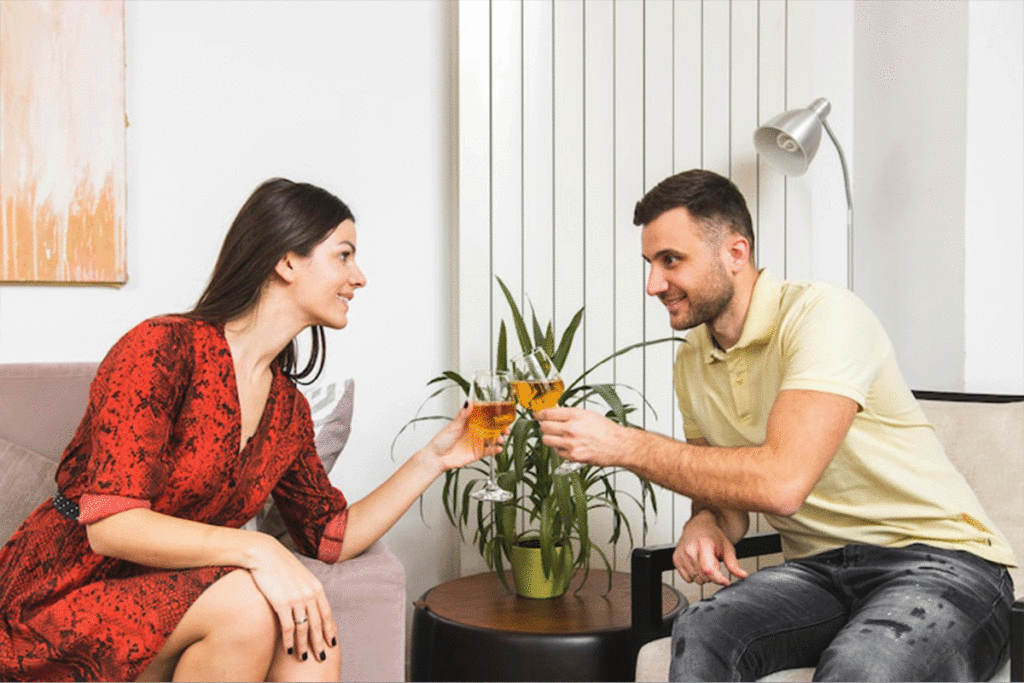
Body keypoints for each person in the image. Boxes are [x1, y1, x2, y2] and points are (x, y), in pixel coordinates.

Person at [0, 178, 492, 682]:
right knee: (250, 604)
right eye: (344, 255)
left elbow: (331, 537)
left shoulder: (287, 408)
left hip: (179, 601)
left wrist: (433, 458)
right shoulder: (162, 348)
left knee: (312, 641)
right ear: (286, 261)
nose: (359, 276)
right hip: (60, 596)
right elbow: (111, 526)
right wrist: (260, 551)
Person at [537, 169, 1016, 681]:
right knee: (701, 629)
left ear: (736, 254)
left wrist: (624, 445)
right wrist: (706, 521)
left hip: (941, 564)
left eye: (671, 260)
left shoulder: (823, 317)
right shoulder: (693, 362)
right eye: (650, 263)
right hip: (820, 571)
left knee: (862, 666)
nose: (654, 284)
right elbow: (725, 501)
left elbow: (781, 483)